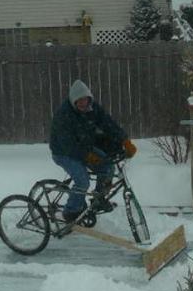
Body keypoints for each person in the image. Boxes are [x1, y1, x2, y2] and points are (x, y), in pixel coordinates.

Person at [49, 79, 137, 222]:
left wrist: (124, 140)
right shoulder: (64, 115)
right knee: (82, 180)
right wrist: (87, 156)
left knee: (108, 167)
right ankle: (70, 212)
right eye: (80, 101)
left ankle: (98, 200)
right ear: (73, 101)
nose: (84, 104)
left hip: (85, 147)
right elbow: (68, 144)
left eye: (86, 100)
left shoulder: (93, 108)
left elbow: (108, 124)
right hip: (63, 153)